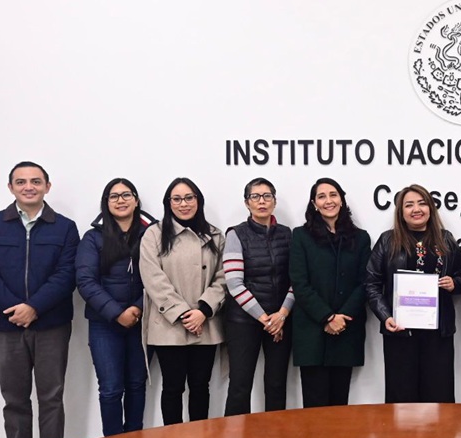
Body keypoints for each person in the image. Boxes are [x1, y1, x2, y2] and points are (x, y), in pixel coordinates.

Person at [0, 161, 79, 438]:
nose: (28, 187)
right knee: (14, 400)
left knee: (51, 398)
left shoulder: (65, 227)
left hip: (51, 325)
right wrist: (15, 309)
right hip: (5, 326)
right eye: (21, 182)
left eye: (35, 181)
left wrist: (34, 307)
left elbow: (67, 274)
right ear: (11, 187)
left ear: (47, 186)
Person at [365, 184, 461, 403]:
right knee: (402, 399)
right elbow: (371, 283)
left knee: (439, 398)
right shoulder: (388, 240)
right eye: (409, 205)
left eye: (422, 203)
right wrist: (385, 316)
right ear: (401, 212)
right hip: (400, 332)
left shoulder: (445, 239)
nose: (416, 209)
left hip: (438, 334)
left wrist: (454, 284)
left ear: (431, 208)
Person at [139, 177, 226, 425]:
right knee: (173, 387)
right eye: (176, 199)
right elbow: (153, 277)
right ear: (168, 203)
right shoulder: (154, 234)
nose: (184, 204)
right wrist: (183, 314)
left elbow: (223, 277)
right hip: (169, 324)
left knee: (200, 386)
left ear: (198, 200)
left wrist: (203, 311)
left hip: (205, 323)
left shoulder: (215, 235)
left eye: (189, 198)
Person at [76, 178, 157, 436]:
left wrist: (138, 308)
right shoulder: (92, 238)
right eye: (114, 196)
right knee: (111, 389)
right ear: (106, 203)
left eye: (126, 195)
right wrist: (117, 313)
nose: (120, 200)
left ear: (136, 200)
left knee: (137, 384)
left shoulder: (152, 234)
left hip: (142, 321)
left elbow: (161, 278)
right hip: (104, 324)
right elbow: (85, 281)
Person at [289, 178, 371, 407]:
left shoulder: (360, 238)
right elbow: (299, 283)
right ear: (314, 204)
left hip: (346, 329)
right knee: (314, 409)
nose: (328, 201)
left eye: (333, 195)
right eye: (321, 196)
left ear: (342, 200)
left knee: (339, 408)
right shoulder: (301, 236)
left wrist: (342, 318)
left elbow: (365, 282)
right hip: (312, 332)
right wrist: (327, 317)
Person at [222, 178, 294, 415]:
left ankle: (275, 436)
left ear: (274, 201)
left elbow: (296, 279)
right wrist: (266, 319)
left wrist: (281, 315)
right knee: (240, 385)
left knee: (276, 384)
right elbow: (234, 284)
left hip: (280, 319)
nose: (262, 201)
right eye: (255, 196)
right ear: (247, 203)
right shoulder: (236, 234)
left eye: (267, 196)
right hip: (243, 321)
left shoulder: (288, 235)